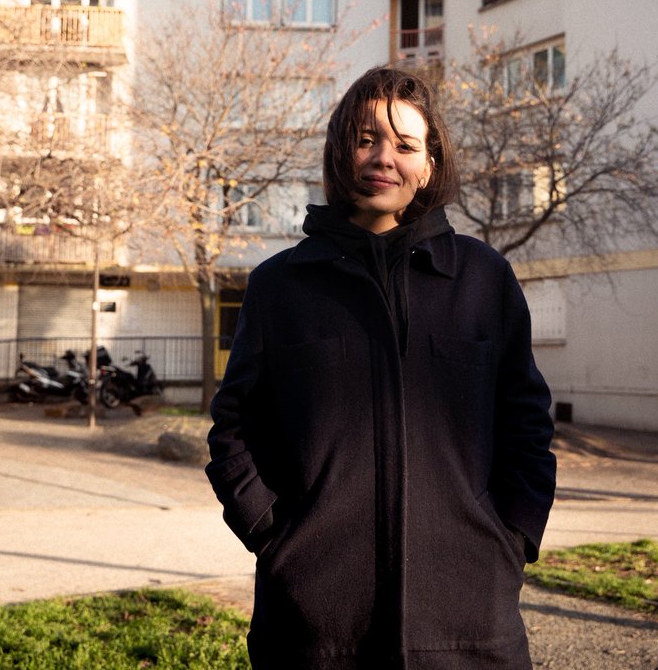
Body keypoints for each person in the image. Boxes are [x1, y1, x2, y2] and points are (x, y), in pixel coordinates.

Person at [206, 66, 557, 669]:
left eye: (405, 144)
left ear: (428, 164)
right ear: (341, 148)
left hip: (467, 623)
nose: (383, 157)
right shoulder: (280, 286)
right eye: (366, 138)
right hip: (315, 632)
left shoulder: (482, 280)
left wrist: (512, 537)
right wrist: (274, 535)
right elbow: (235, 428)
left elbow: (527, 424)